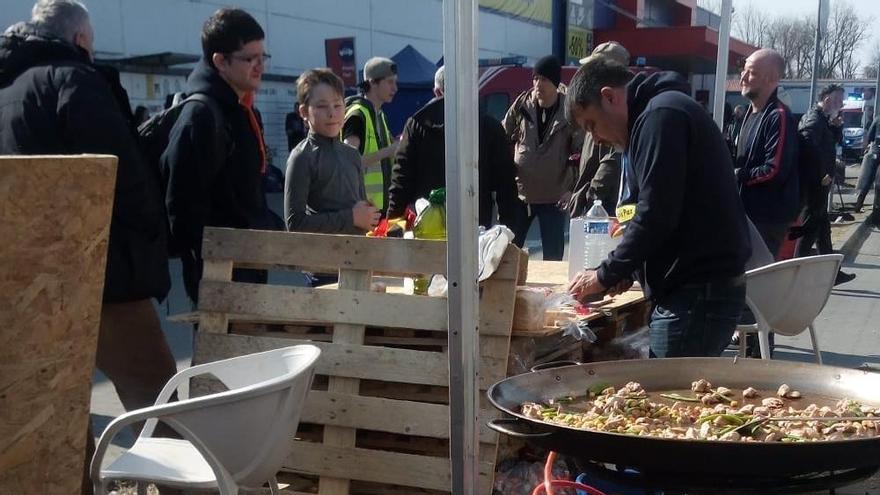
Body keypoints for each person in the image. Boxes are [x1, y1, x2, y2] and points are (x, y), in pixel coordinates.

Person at [0, 1, 177, 492]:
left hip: (25, 286)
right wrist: (150, 237)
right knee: (156, 396)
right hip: (102, 274)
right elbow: (124, 176)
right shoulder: (75, 81)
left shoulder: (7, 88)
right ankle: (181, 485)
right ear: (81, 39)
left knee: (54, 412)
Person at [566, 56, 750, 358]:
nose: (596, 138)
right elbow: (662, 210)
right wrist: (630, 269)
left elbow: (656, 213)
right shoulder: (654, 117)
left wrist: (604, 274)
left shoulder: (660, 117)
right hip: (693, 290)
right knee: (674, 395)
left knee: (671, 397)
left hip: (696, 293)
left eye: (592, 125)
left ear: (609, 97)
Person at [161, 8, 278, 303]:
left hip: (245, 262)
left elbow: (246, 196)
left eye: (263, 57)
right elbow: (182, 208)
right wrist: (211, 258)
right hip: (218, 272)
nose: (260, 66)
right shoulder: (201, 116)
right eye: (250, 58)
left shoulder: (240, 109)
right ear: (220, 61)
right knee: (223, 348)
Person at [386, 66, 520, 232]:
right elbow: (505, 185)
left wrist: (392, 224)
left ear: (437, 92)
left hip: (426, 226)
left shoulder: (417, 124)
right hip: (475, 229)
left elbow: (401, 180)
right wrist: (508, 231)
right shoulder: (489, 126)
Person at [502, 54, 584, 260]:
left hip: (554, 198)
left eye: (544, 79)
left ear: (555, 83)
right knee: (509, 254)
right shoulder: (522, 105)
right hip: (521, 195)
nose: (538, 84)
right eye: (535, 78)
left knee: (553, 259)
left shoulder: (569, 110)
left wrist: (571, 190)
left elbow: (581, 154)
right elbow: (503, 135)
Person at [284, 69, 380, 235]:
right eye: (322, 106)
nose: (332, 114)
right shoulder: (302, 157)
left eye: (337, 105)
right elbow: (295, 223)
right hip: (323, 258)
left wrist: (369, 214)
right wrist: (351, 218)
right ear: (304, 112)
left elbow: (360, 210)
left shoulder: (352, 155)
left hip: (359, 254)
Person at [735, 48, 800, 259]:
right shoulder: (749, 113)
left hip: (767, 219)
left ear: (772, 78)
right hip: (747, 214)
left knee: (758, 280)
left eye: (751, 72)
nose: (743, 77)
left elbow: (774, 170)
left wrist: (737, 174)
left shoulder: (778, 116)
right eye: (743, 71)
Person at [796, 84, 856, 285]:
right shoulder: (813, 119)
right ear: (828, 99)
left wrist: (836, 127)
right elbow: (808, 147)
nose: (841, 104)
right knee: (809, 229)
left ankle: (832, 274)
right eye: (839, 100)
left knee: (822, 231)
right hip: (814, 182)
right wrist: (822, 173)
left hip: (820, 181)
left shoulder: (823, 120)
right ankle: (794, 273)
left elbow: (828, 143)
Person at [568, 41, 629, 217]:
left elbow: (612, 160)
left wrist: (591, 195)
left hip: (605, 203)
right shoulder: (594, 104)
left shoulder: (614, 112)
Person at [342, 56, 399, 212]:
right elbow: (348, 163)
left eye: (395, 82)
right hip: (362, 211)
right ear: (373, 82)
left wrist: (396, 144)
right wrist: (387, 151)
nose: (395, 88)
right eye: (390, 82)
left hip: (377, 209)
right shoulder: (357, 115)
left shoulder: (379, 115)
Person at [854, 115, 880, 214]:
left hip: (876, 150)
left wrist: (865, 148)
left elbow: (870, 136)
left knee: (868, 179)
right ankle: (877, 209)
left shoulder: (878, 118)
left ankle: (858, 205)